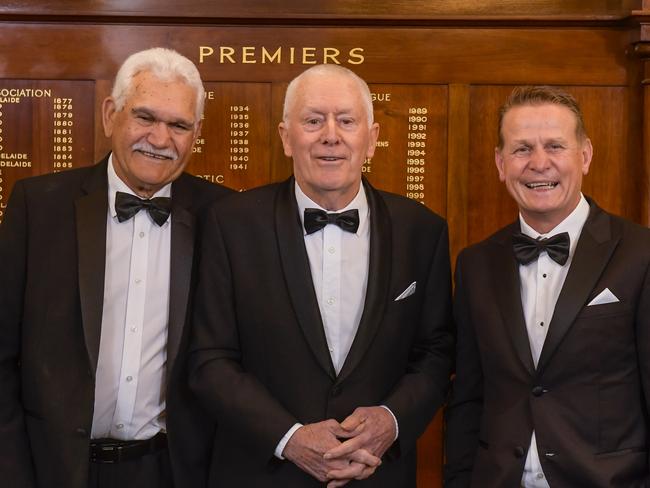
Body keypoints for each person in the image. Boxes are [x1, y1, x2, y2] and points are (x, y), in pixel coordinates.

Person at [189, 63, 454, 486]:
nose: (331, 134)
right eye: (313, 120)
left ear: (372, 140)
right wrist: (288, 438)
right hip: (261, 473)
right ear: (285, 137)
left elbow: (437, 350)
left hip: (376, 475)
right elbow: (209, 358)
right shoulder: (229, 224)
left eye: (346, 121)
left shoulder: (421, 230)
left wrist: (392, 418)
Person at [0, 47, 232, 488]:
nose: (161, 140)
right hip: (55, 469)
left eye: (179, 125)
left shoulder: (224, 218)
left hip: (174, 471)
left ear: (196, 132)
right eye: (145, 117)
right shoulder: (37, 207)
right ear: (111, 115)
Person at [444, 86, 650, 487]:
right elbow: (468, 398)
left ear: (585, 156)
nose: (539, 164)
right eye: (522, 150)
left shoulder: (641, 254)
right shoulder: (476, 264)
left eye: (555, 146)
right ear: (501, 163)